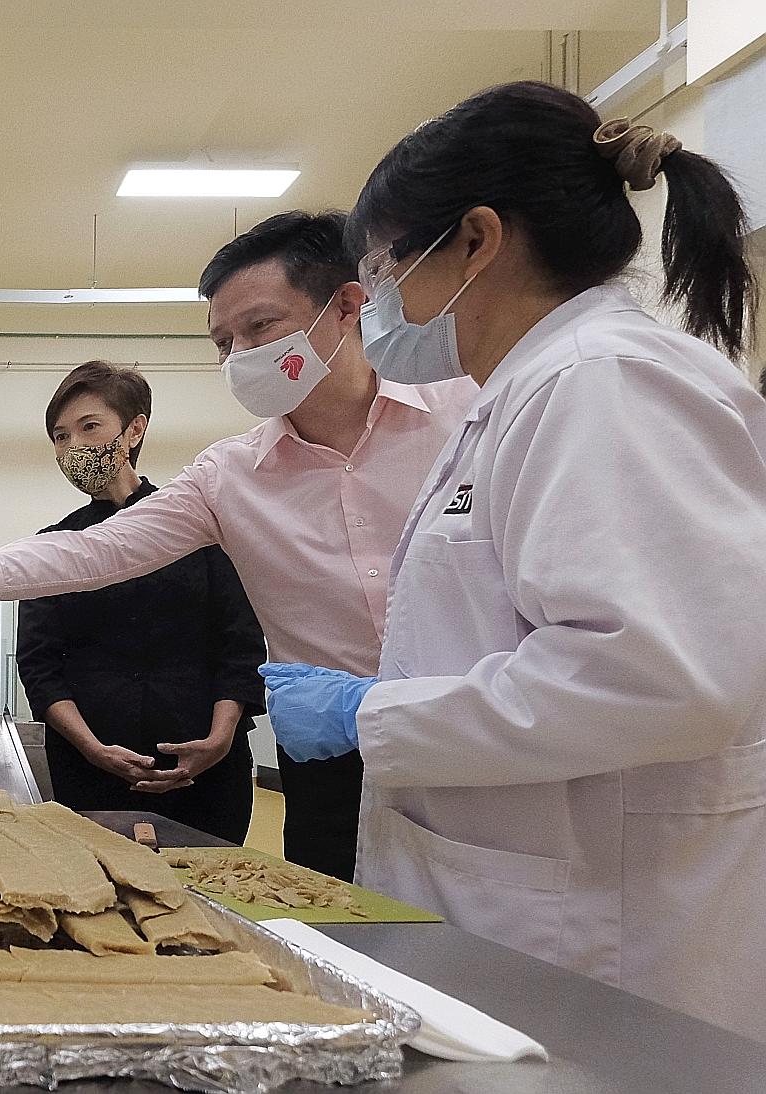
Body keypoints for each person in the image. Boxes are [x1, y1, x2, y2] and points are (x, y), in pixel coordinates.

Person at [259, 81, 765, 1041]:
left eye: (388, 265)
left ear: (477, 240)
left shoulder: (606, 384)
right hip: (526, 900)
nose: (380, 303)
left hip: (599, 931)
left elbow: (658, 680)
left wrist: (372, 713)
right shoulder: (523, 392)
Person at [0, 211, 477, 878]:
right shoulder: (231, 476)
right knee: (335, 912)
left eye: (260, 327)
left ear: (348, 306)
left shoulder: (469, 418)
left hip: (475, 733)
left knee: (488, 911)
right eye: (223, 342)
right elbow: (94, 552)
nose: (241, 356)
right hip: (329, 761)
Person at [16, 361, 265, 843]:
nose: (73, 446)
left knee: (214, 880)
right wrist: (93, 750)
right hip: (92, 773)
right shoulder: (54, 547)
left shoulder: (202, 534)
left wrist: (218, 741)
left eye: (89, 427)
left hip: (205, 773)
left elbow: (240, 646)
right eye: (61, 437)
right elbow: (40, 667)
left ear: (134, 430)